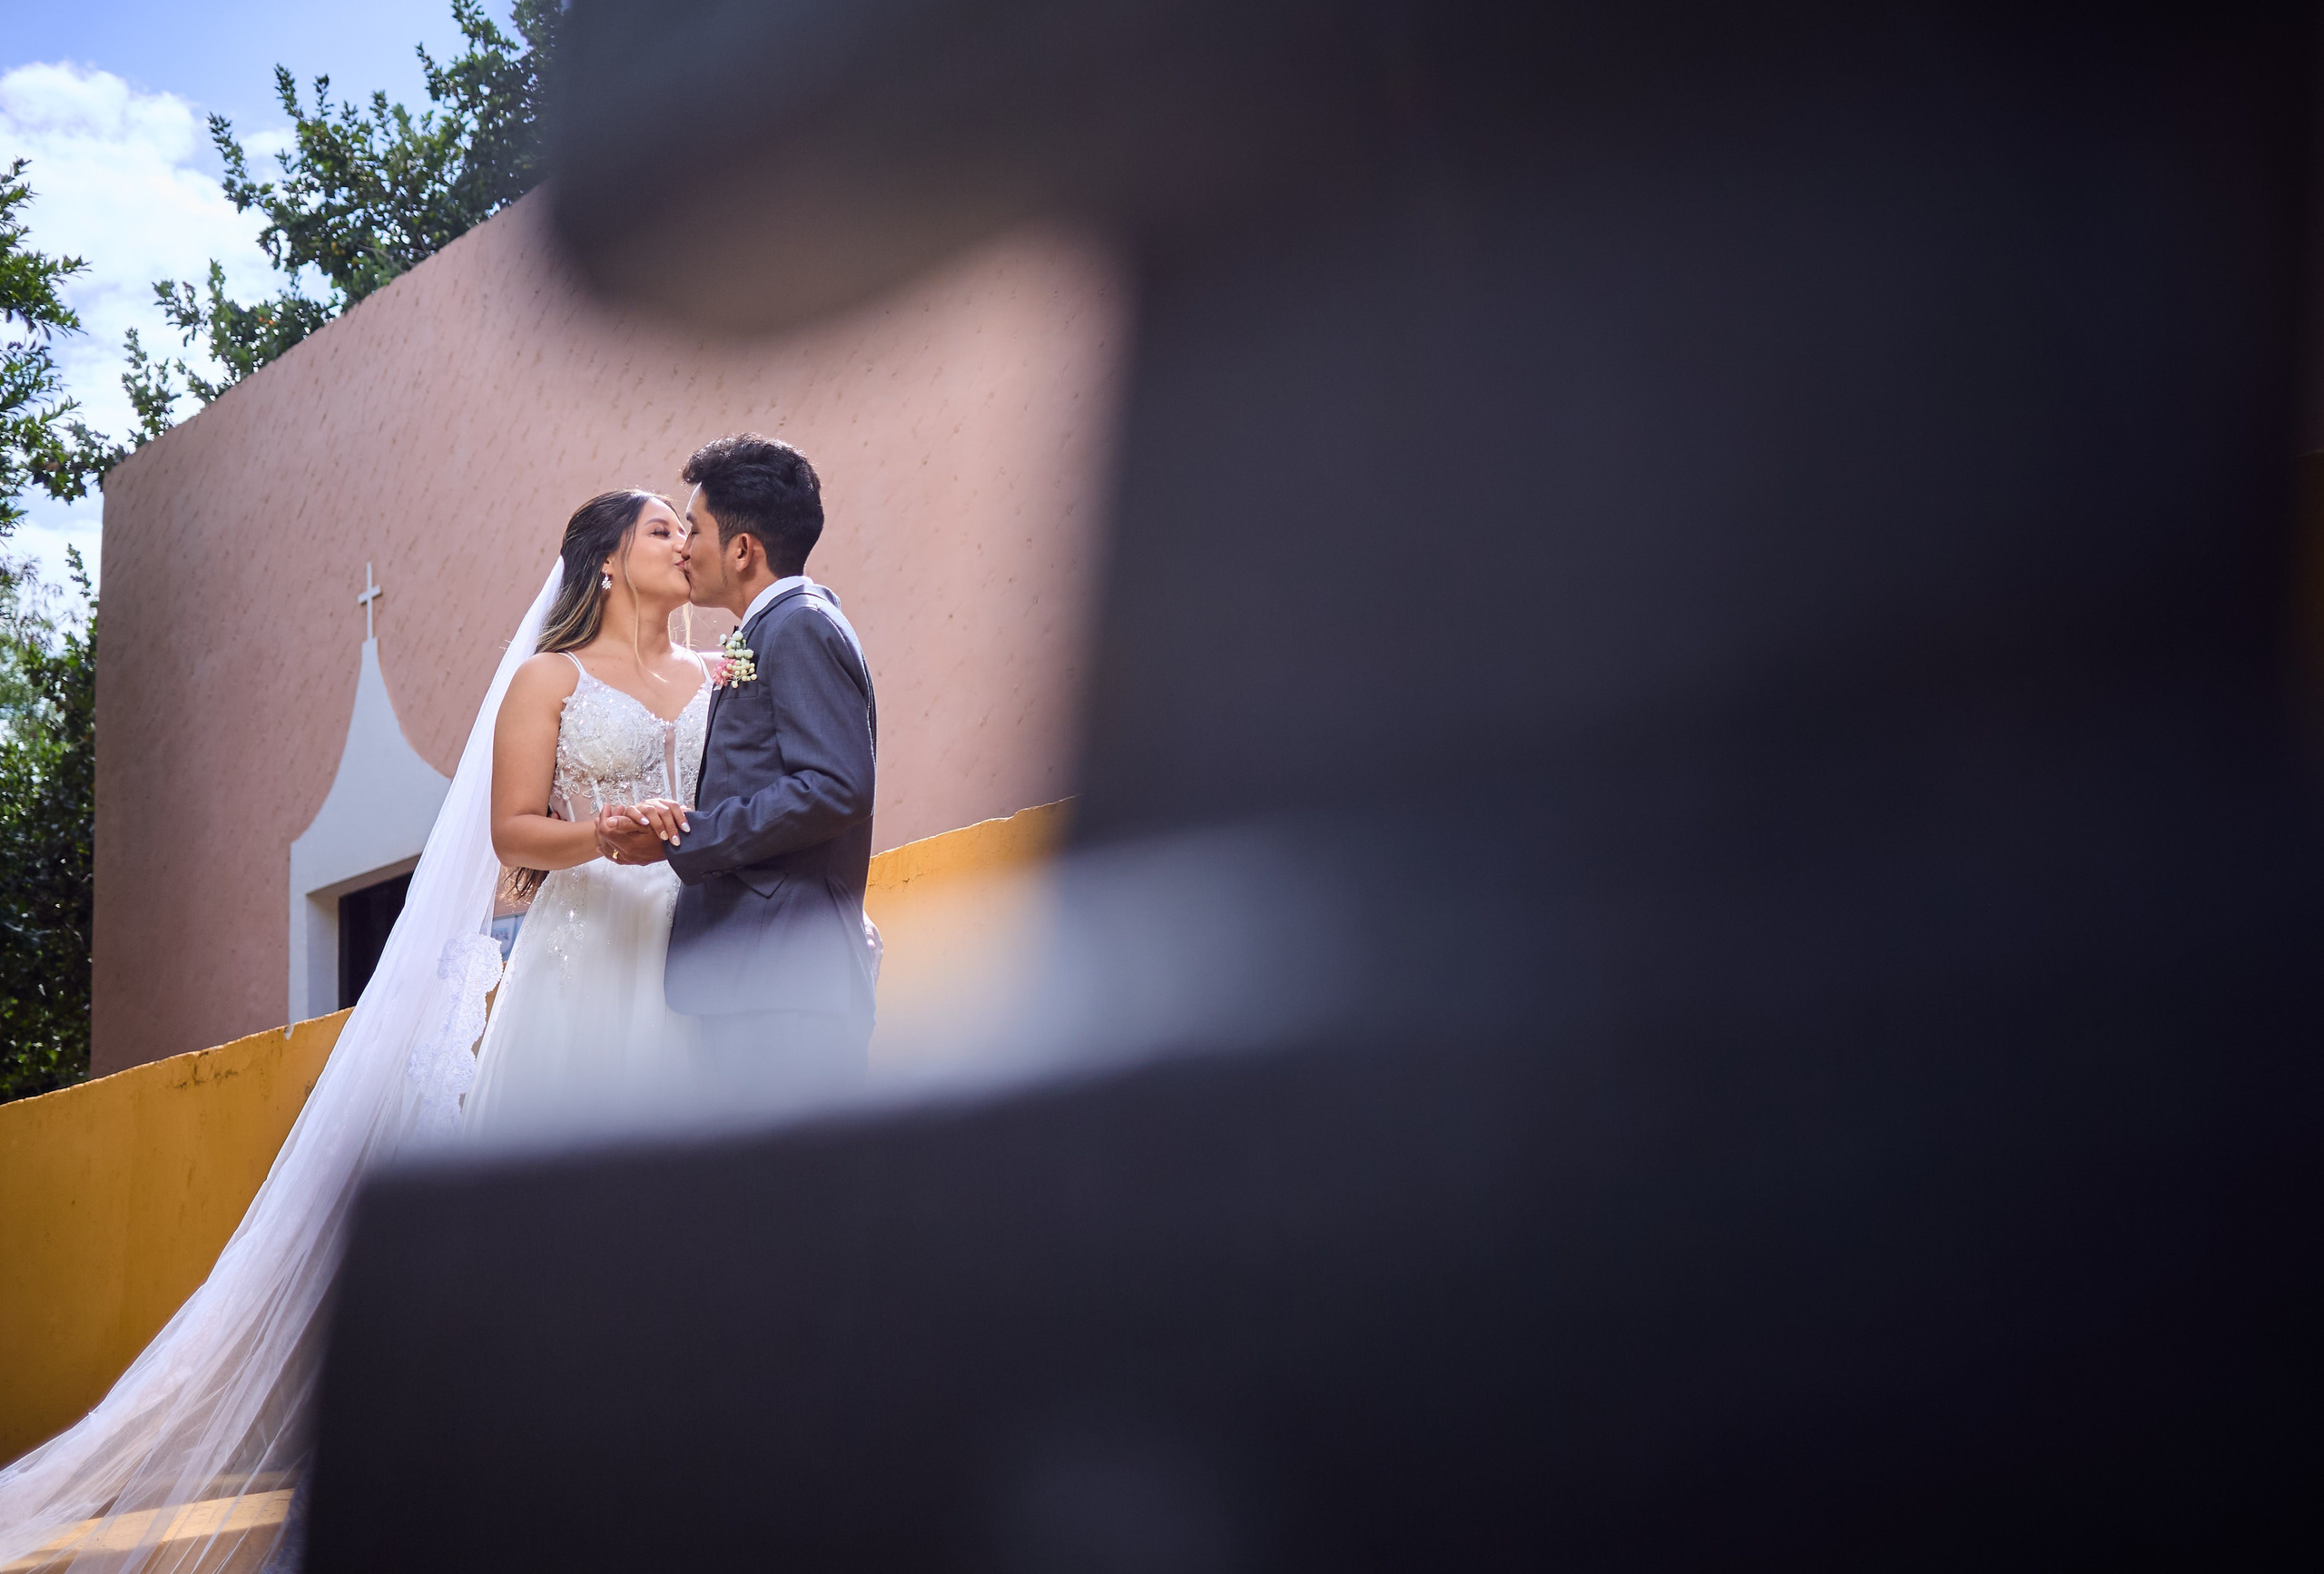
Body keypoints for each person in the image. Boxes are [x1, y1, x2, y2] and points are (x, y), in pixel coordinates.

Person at [0, 458, 860, 1571]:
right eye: (663, 530)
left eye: (687, 528)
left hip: (694, 950)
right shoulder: (549, 681)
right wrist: (606, 836)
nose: (685, 545)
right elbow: (513, 835)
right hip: (586, 944)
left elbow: (764, 795)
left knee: (682, 1219)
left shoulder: (724, 667)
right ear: (609, 560)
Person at [600, 434, 881, 1109]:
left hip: (784, 979)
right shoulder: (772, 630)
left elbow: (836, 786)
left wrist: (682, 839)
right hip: (759, 976)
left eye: (693, 528)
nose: (683, 547)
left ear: (743, 549)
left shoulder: (800, 627)